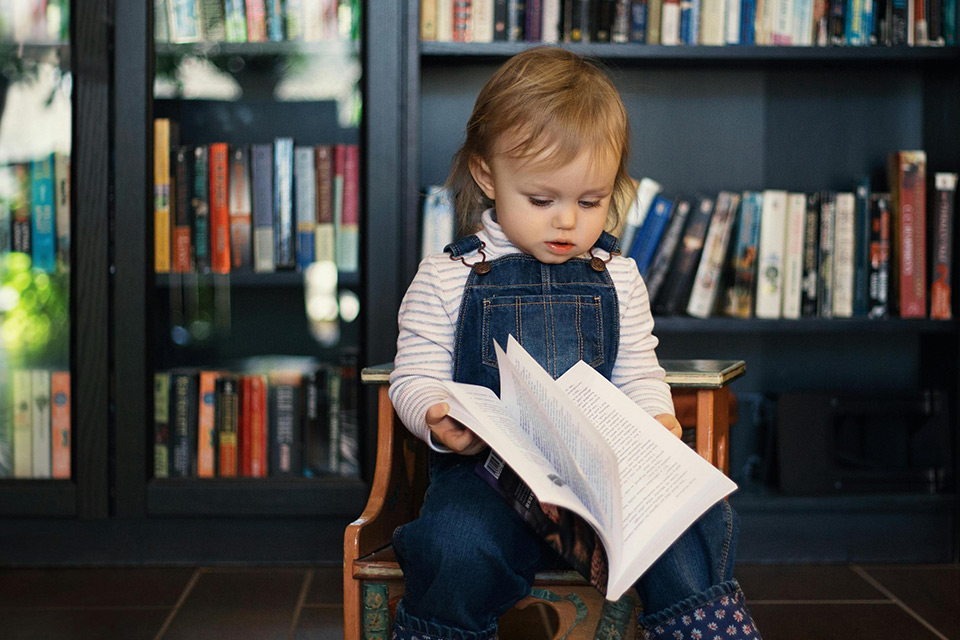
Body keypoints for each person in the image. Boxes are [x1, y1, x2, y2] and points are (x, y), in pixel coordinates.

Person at [388, 46, 761, 640]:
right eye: (542, 201)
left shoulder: (617, 276)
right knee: (453, 544)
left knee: (693, 522)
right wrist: (436, 415)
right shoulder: (447, 277)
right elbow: (412, 377)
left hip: (602, 485)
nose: (567, 221)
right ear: (487, 175)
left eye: (591, 202)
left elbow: (638, 373)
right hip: (489, 483)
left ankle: (703, 630)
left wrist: (657, 420)